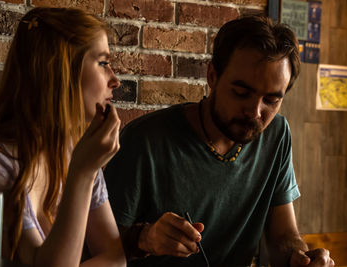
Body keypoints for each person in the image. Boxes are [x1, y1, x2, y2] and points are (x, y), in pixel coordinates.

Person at [104, 16, 334, 266]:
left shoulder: (276, 134)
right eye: (241, 92)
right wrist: (145, 238)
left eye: (271, 100)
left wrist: (300, 258)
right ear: (212, 76)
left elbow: (283, 237)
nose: (255, 112)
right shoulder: (144, 140)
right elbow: (97, 248)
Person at [0, 7, 126, 267]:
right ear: (61, 72)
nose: (115, 80)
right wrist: (83, 172)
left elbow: (115, 258)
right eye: (102, 63)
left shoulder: (74, 149)